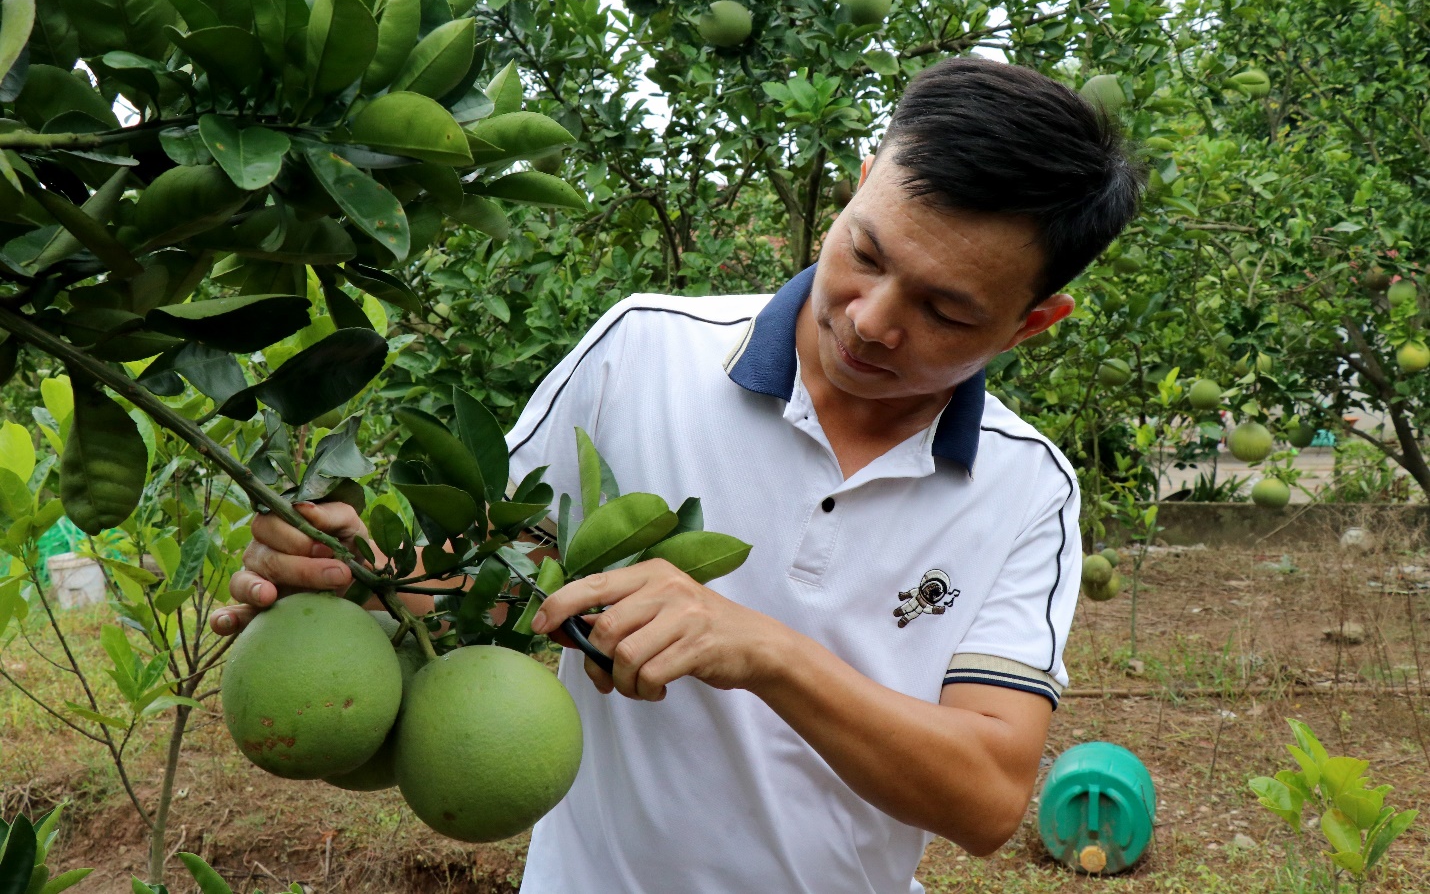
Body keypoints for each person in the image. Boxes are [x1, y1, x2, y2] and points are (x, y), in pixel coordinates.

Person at [211, 56, 1145, 893]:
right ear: (860, 187)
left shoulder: (1027, 491)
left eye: (945, 309)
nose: (870, 320)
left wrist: (769, 652)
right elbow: (496, 597)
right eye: (865, 254)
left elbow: (985, 800)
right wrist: (365, 578)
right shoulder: (642, 355)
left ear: (1031, 323)